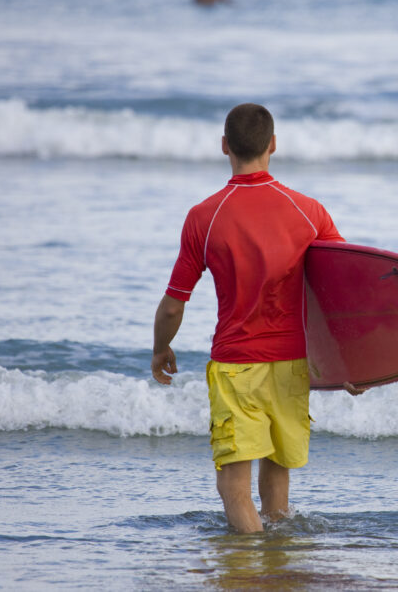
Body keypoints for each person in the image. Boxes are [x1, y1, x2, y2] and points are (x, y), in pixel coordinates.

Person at [151, 103, 344, 533]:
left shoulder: (205, 217)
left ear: (225, 146)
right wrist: (352, 363)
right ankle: (276, 560)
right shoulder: (309, 212)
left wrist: (161, 347)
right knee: (276, 473)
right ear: (273, 144)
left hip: (237, 365)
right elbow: (342, 290)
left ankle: (247, 559)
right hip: (293, 364)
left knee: (232, 487)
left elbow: (174, 304)